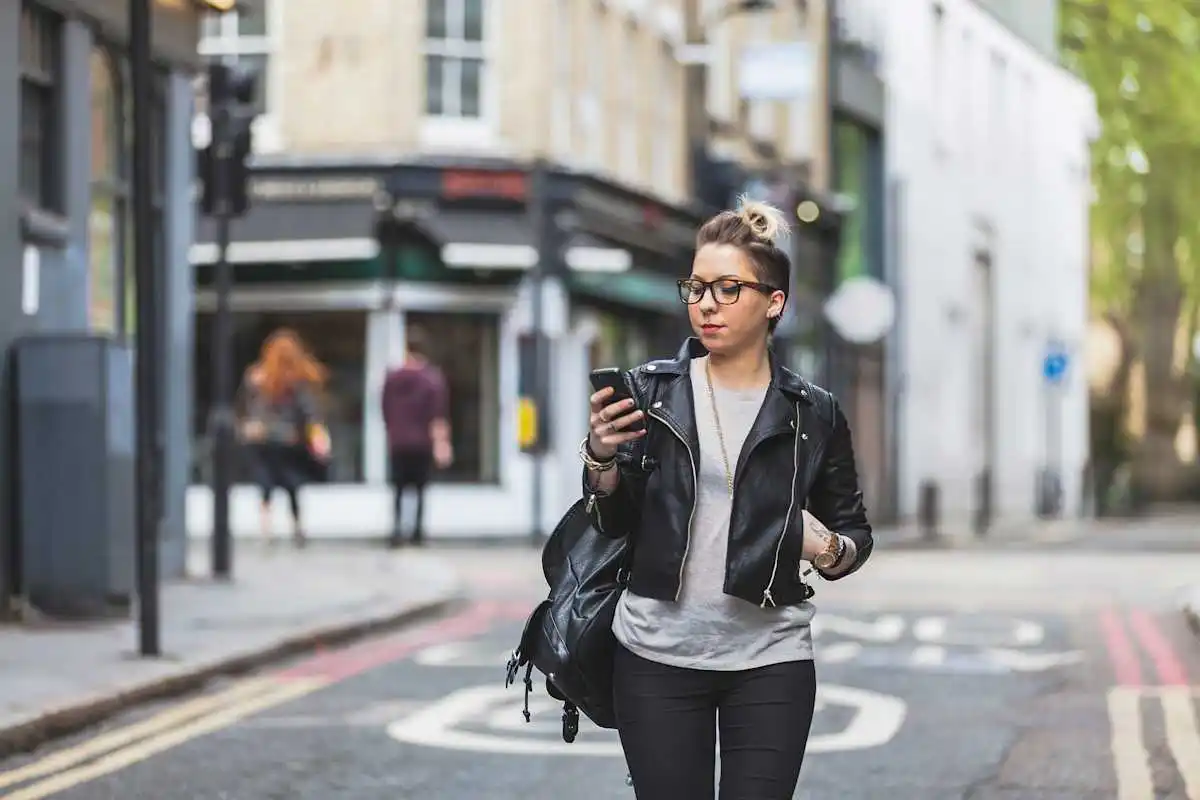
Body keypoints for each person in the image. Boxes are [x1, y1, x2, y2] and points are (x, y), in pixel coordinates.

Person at [579, 198, 874, 799]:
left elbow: (854, 536)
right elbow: (612, 520)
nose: (706, 304)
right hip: (656, 654)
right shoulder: (651, 392)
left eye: (728, 288)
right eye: (696, 287)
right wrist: (601, 457)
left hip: (770, 659)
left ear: (774, 303)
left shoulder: (813, 413)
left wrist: (825, 547)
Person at [238, 328, 330, 548]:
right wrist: (317, 437)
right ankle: (297, 527)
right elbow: (310, 413)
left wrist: (250, 427)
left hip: (262, 439)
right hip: (289, 440)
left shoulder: (258, 378)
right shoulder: (300, 379)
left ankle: (266, 530)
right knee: (292, 485)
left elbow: (250, 409)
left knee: (265, 484)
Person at [382, 328, 452, 547]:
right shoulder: (432, 380)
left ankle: (396, 531)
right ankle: (417, 533)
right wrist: (442, 444)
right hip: (422, 443)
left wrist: (393, 429)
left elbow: (384, 409)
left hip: (398, 441)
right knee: (420, 489)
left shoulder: (393, 378)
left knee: (398, 489)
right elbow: (437, 415)